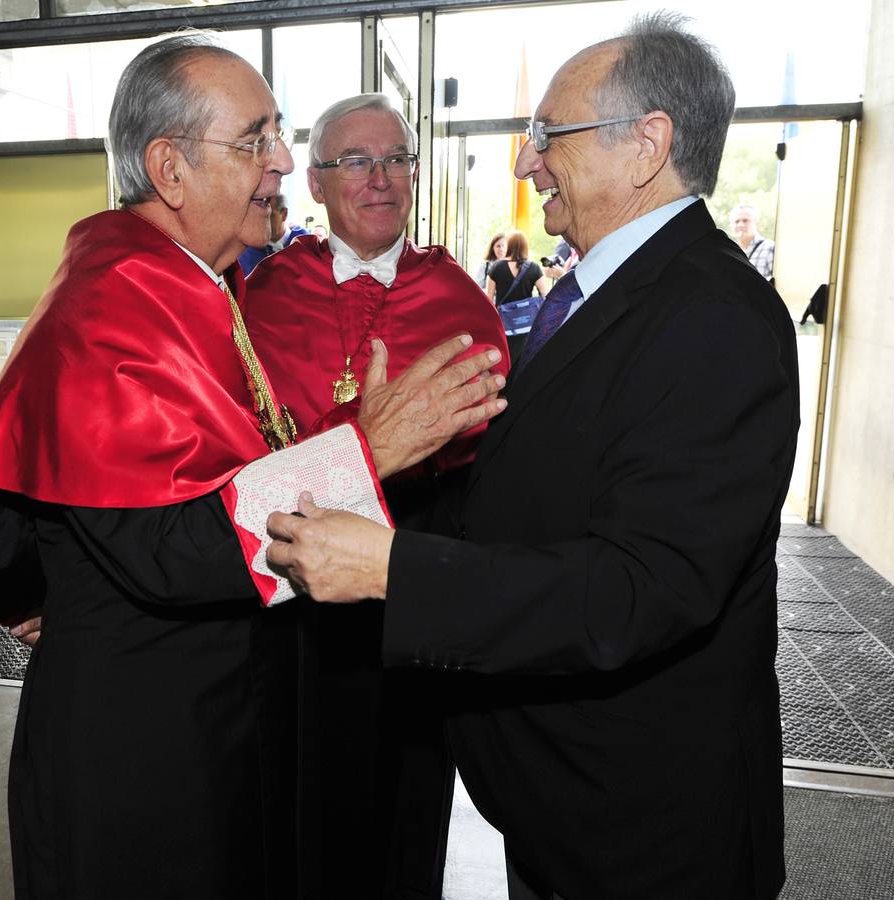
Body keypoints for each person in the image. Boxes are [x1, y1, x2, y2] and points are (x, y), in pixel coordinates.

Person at [0, 35, 506, 898]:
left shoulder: (187, 284)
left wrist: (45, 581)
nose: (283, 161)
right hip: (148, 748)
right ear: (169, 168)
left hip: (203, 714)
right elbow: (174, 547)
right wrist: (370, 450)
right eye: (255, 139)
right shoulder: (113, 309)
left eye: (278, 135)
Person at [268, 13, 798, 900]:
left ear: (646, 147)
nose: (524, 161)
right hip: (570, 798)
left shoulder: (717, 318)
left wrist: (399, 567)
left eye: (550, 135)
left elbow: (640, 589)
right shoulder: (609, 292)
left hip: (644, 827)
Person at [243, 92, 510, 899]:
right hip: (289, 580)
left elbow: (485, 441)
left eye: (395, 159)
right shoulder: (262, 296)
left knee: (406, 791)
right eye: (355, 161)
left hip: (410, 570)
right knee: (296, 787)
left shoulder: (459, 296)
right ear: (317, 184)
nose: (380, 178)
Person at [238, 191, 308, 274]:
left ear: (284, 214)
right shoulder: (247, 252)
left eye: (269, 215)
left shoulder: (305, 245)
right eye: (260, 215)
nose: (262, 222)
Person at [486, 230, 550, 304]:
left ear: (508, 245)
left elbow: (489, 299)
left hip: (502, 315)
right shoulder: (534, 268)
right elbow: (545, 295)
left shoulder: (496, 267)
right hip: (526, 314)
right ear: (525, 246)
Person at [730, 202, 776, 282]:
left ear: (757, 224)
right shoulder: (730, 251)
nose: (740, 224)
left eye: (745, 220)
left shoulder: (770, 248)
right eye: (736, 221)